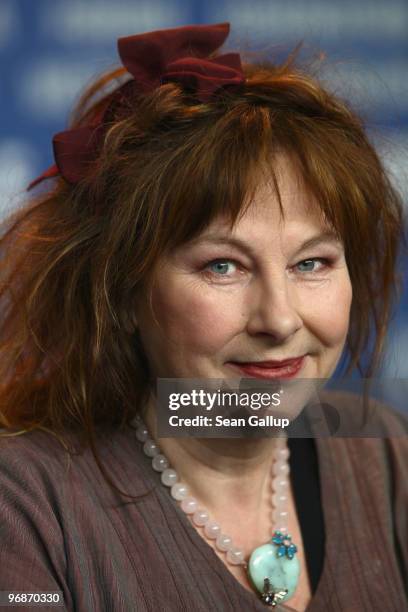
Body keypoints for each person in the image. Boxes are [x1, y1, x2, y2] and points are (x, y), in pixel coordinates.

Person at [0, 22, 407, 612]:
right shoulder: (24, 506)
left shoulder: (389, 456)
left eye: (312, 262)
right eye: (223, 267)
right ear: (120, 292)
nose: (279, 319)